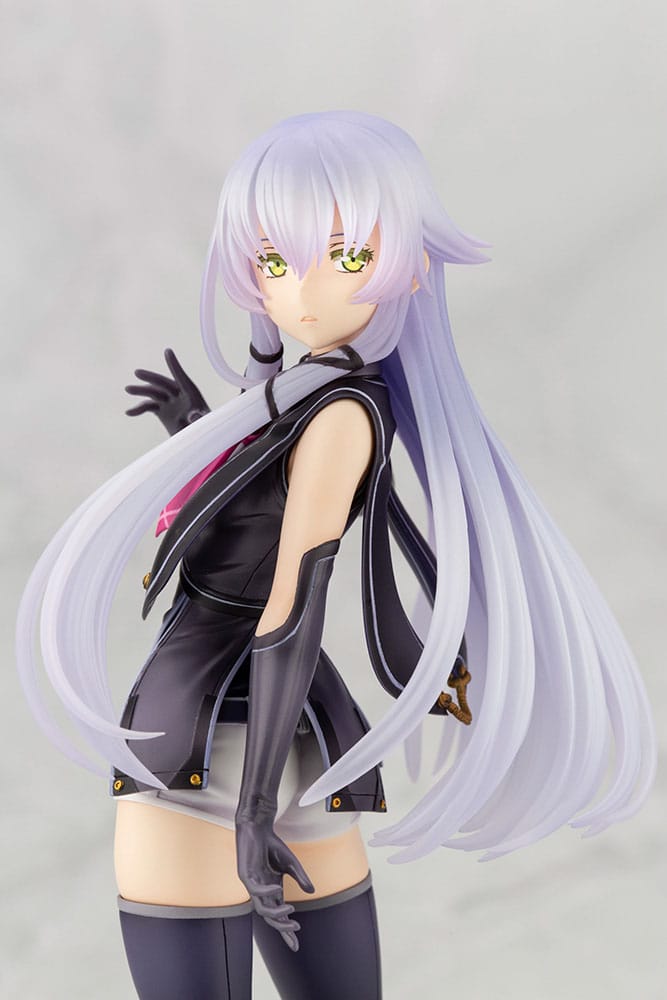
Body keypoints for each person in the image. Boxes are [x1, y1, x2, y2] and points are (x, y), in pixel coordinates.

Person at [17, 111, 656, 1000]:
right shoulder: (309, 397)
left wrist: (251, 814)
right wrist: (196, 426)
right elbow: (264, 514)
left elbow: (290, 606)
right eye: (275, 263)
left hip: (204, 737)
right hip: (305, 742)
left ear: (411, 264)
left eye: (346, 256)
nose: (303, 291)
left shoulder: (339, 412)